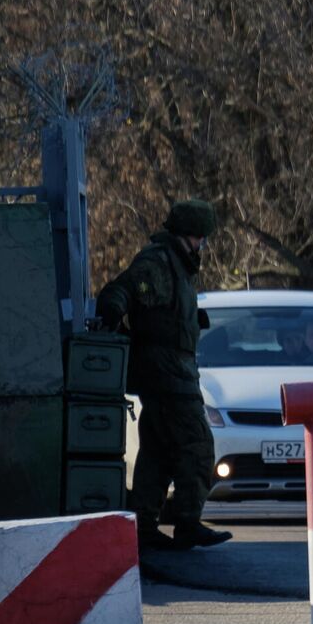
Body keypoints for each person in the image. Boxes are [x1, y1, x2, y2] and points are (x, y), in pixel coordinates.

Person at [96, 199, 232, 553]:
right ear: (193, 234)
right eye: (201, 237)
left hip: (169, 369)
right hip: (167, 371)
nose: (203, 245)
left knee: (157, 450)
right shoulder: (159, 260)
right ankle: (187, 522)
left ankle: (143, 528)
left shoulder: (178, 265)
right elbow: (121, 290)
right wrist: (115, 310)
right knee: (198, 445)